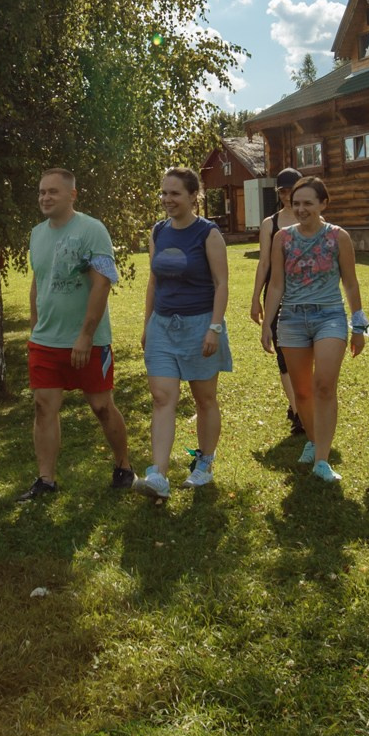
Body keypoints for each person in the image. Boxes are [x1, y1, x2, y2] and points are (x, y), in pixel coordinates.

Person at [21, 167, 131, 501]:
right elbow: (39, 280)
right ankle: (46, 480)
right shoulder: (37, 234)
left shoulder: (91, 230)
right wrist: (35, 323)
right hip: (46, 340)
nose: (45, 198)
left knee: (100, 406)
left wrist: (85, 334)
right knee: (43, 406)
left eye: (53, 192)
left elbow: (102, 282)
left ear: (72, 195)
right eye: (41, 192)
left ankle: (123, 466)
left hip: (88, 340)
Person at [260, 179, 369, 484]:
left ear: (323, 204)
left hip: (329, 318)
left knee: (323, 385)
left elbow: (350, 283)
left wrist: (358, 326)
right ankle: (312, 438)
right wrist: (268, 323)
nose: (301, 208)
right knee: (303, 392)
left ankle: (322, 458)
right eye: (296, 203)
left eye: (308, 203)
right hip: (292, 319)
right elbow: (277, 284)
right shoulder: (282, 238)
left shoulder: (338, 237)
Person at [135, 168, 230, 499]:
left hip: (200, 325)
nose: (167, 199)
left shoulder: (208, 233)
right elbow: (154, 281)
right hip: (162, 325)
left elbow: (221, 284)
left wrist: (214, 328)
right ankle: (158, 475)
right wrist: (147, 323)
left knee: (204, 399)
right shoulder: (159, 231)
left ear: (194, 196)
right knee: (162, 398)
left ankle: (204, 465)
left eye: (174, 193)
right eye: (163, 193)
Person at [245, 166, 305, 436]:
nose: (287, 195)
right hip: (277, 296)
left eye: (291, 189)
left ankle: (303, 405)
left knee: (305, 355)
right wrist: (256, 298)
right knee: (283, 356)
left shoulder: (313, 217)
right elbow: (264, 263)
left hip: (306, 295)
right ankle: (298, 413)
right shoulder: (271, 224)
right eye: (282, 191)